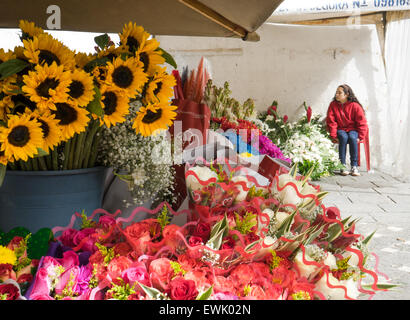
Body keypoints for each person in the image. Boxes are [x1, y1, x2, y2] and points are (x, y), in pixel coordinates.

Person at [326, 84, 368, 176]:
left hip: (353, 129)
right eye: (336, 92)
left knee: (352, 137)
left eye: (339, 92)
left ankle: (354, 166)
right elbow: (331, 121)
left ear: (347, 94)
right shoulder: (333, 105)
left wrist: (360, 137)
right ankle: (342, 165)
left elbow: (362, 122)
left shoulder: (355, 106)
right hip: (340, 129)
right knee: (343, 137)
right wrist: (333, 135)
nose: (336, 94)